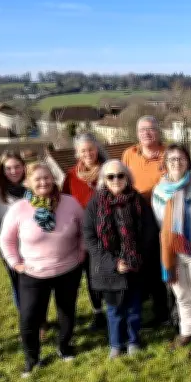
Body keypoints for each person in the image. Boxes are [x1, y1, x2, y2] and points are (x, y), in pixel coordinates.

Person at [0, 162, 85, 377]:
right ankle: (32, 358)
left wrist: (81, 253)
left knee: (67, 312)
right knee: (29, 317)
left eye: (47, 178)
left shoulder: (70, 203)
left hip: (68, 269)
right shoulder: (19, 209)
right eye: (37, 179)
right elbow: (6, 240)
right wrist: (15, 262)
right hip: (33, 273)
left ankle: (64, 347)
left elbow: (85, 230)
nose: (43, 182)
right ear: (28, 183)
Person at [83, 160, 158, 359]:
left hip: (135, 266)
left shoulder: (138, 201)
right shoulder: (94, 204)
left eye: (120, 175)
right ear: (103, 180)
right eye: (110, 176)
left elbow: (149, 232)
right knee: (114, 310)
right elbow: (90, 238)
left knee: (134, 308)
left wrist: (136, 258)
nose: (116, 180)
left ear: (127, 177)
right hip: (109, 269)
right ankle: (116, 344)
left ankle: (133, 341)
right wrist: (114, 262)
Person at [152, 144, 191, 357]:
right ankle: (186, 331)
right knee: (181, 294)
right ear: (165, 164)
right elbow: (160, 222)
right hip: (173, 253)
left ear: (188, 162)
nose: (177, 163)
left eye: (181, 158)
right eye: (172, 159)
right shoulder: (159, 192)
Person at [122, 115, 171, 328]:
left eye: (151, 129)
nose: (146, 133)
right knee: (143, 265)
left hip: (163, 215)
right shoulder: (129, 154)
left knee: (162, 263)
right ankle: (141, 308)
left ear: (158, 131)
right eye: (142, 130)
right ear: (137, 133)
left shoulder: (167, 153)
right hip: (136, 218)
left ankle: (165, 311)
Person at [61, 133, 107, 321]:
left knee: (107, 271)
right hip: (81, 235)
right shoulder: (71, 176)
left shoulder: (108, 170)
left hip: (107, 231)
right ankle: (98, 312)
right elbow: (63, 202)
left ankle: (114, 308)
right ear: (77, 153)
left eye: (91, 149)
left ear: (97, 149)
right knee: (90, 275)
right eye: (83, 150)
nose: (88, 153)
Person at [0, 150, 27, 312]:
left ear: (23, 167)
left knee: (37, 284)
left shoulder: (31, 186)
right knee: (18, 284)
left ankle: (41, 319)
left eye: (17, 166)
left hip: (33, 244)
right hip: (10, 246)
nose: (13, 171)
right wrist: (9, 239)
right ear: (2, 170)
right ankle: (26, 319)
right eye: (8, 168)